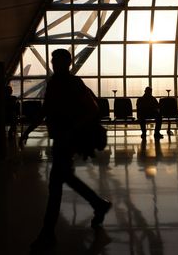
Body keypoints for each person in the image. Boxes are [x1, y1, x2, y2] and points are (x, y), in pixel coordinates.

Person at [19, 49, 112, 249]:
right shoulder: (64, 83)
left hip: (65, 140)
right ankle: (98, 204)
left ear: (66, 63)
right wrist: (29, 131)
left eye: (57, 61)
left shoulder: (62, 84)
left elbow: (47, 110)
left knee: (55, 186)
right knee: (65, 179)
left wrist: (31, 130)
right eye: (53, 61)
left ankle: (48, 232)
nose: (54, 64)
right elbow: (90, 109)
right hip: (65, 139)